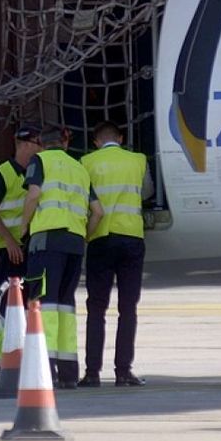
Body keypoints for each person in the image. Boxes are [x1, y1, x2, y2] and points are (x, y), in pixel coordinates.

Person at [19, 125, 103, 389]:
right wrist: (85, 236)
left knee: (42, 304)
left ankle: (46, 368)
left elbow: (33, 194)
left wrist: (23, 227)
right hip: (75, 243)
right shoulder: (79, 168)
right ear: (65, 144)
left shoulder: (40, 160)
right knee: (66, 306)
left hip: (47, 240)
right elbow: (98, 212)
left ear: (42, 144)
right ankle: (68, 373)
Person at [77, 121, 153, 387]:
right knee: (127, 308)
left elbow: (83, 197)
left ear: (96, 142)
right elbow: (147, 191)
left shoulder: (86, 162)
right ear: (120, 138)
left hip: (100, 238)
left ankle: (92, 373)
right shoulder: (138, 160)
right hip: (131, 237)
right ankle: (123, 371)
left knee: (96, 308)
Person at [0, 123, 42, 358]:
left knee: (31, 305)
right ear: (26, 144)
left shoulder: (38, 172)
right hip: (9, 252)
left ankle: (28, 356)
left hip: (31, 249)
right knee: (8, 307)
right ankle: (5, 356)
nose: (41, 149)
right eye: (39, 144)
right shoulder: (2, 174)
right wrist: (9, 241)